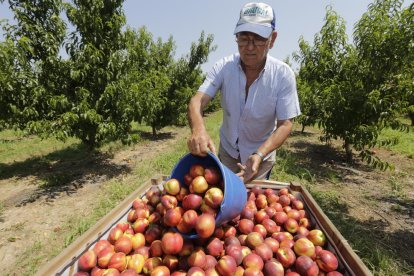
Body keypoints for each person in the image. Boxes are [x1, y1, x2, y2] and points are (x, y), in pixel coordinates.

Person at [187, 2, 301, 183]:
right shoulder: (224, 67)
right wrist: (198, 129)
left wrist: (259, 154)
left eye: (258, 38)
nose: (249, 47)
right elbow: (197, 101)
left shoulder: (283, 75)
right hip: (228, 153)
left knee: (255, 204)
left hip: (261, 156)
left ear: (272, 39)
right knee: (226, 196)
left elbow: (285, 124)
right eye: (243, 38)